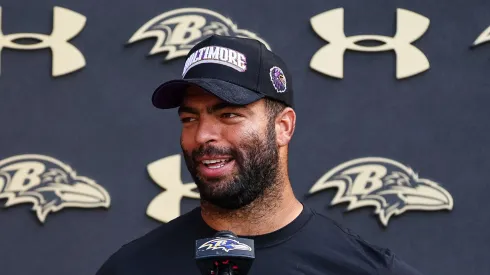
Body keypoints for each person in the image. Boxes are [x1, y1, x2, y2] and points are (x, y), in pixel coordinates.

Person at [95, 35, 423, 275]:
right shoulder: (132, 268)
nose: (203, 135)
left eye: (228, 115)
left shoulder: (365, 270)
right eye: (190, 118)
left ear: (283, 127)